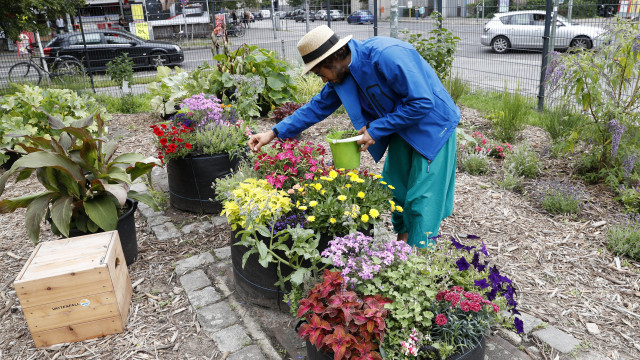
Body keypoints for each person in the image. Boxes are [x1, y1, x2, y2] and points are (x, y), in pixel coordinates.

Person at [248, 26, 460, 248]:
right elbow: (316, 107)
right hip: (400, 127)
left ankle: (420, 263)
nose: (322, 80)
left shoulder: (386, 54)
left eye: (320, 73)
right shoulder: (343, 75)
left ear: (332, 60)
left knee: (422, 201)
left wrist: (376, 129)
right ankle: (402, 251)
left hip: (433, 128)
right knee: (397, 192)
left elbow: (422, 102)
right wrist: (272, 133)